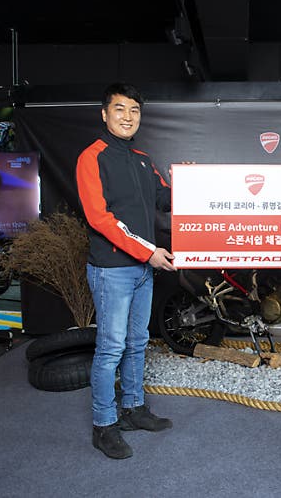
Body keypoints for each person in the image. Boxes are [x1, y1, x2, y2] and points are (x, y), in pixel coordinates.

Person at [76, 82, 176, 459]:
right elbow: (100, 219)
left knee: (137, 342)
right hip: (112, 270)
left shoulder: (143, 159)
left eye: (134, 110)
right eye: (120, 109)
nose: (128, 116)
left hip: (142, 269)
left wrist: (198, 183)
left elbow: (167, 197)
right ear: (105, 114)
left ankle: (133, 409)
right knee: (111, 348)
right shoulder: (92, 157)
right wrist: (148, 253)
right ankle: (104, 425)